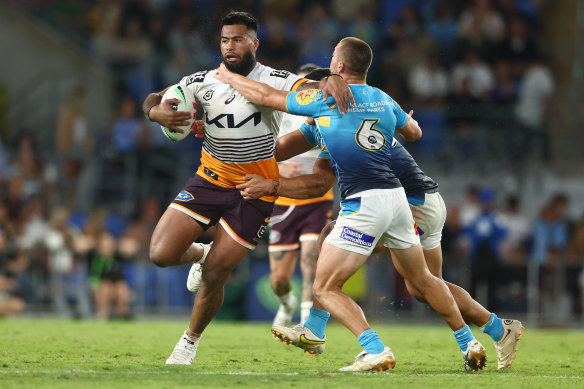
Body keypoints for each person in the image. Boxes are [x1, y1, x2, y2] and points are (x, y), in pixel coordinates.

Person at [215, 37, 488, 372]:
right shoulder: (382, 98)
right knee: (426, 281)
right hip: (397, 201)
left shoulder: (324, 100)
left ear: (340, 66)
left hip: (365, 203)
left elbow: (267, 96)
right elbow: (414, 132)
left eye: (333, 57)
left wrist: (229, 76)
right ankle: (468, 342)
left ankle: (374, 349)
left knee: (325, 286)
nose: (330, 61)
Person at [141, 11, 352, 365]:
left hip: (254, 191)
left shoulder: (275, 79)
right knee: (160, 254)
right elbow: (156, 97)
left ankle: (188, 344)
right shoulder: (200, 81)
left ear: (255, 43)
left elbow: (308, 88)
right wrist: (155, 114)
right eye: (225, 40)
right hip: (209, 180)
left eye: (238, 39)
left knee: (217, 274)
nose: (230, 46)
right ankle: (200, 252)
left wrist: (332, 79)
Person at [269, 65, 334, 327]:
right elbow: (262, 153)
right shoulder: (282, 114)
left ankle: (307, 325)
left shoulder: (329, 113)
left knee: (310, 258)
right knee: (279, 280)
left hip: (316, 199)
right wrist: (282, 168)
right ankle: (287, 303)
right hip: (283, 200)